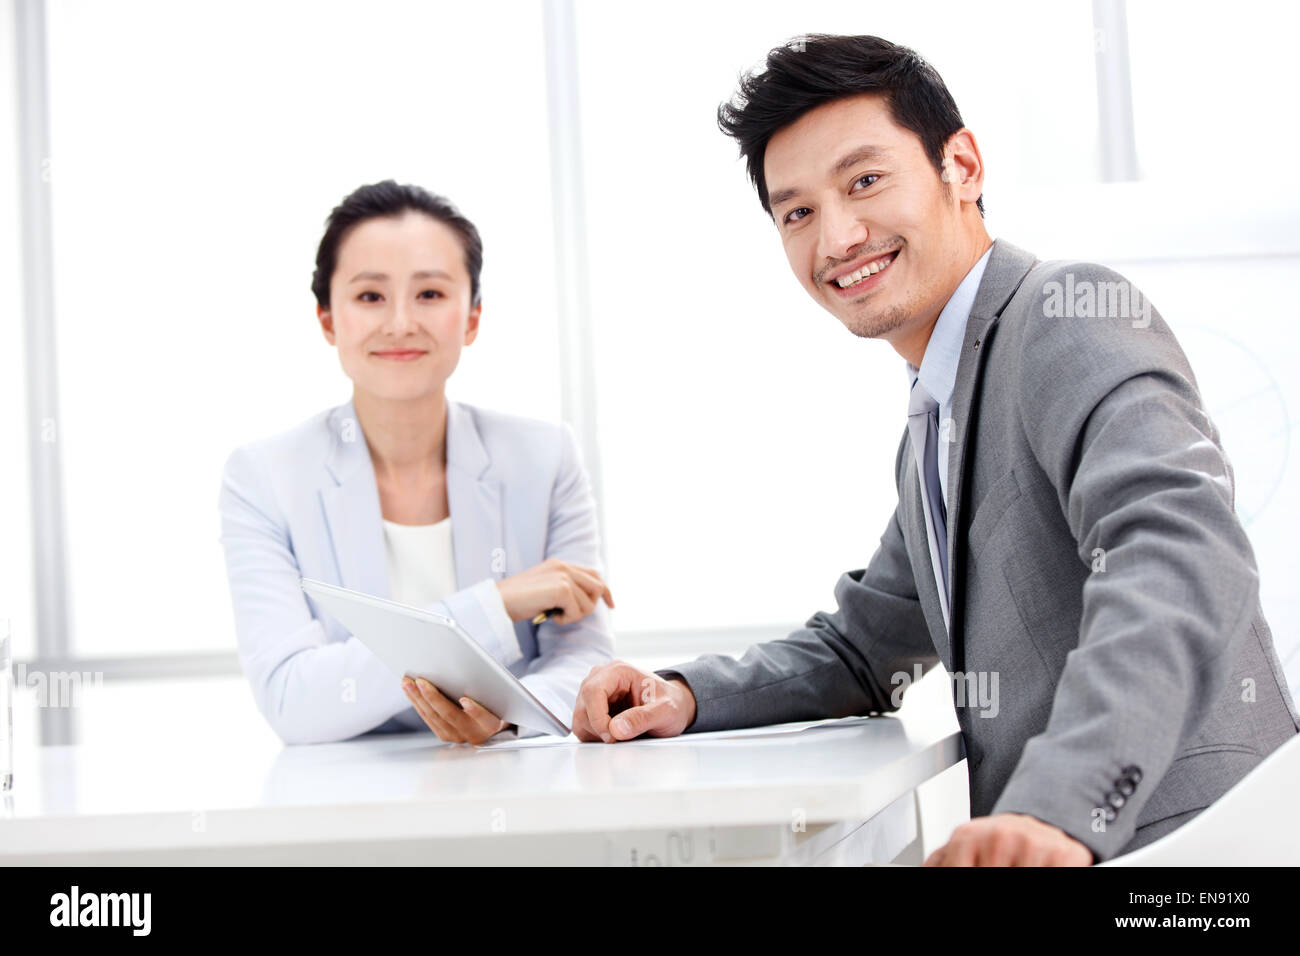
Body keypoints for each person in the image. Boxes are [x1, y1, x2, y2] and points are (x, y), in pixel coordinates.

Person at [570, 35, 1300, 865]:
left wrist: (1059, 810)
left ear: (962, 165)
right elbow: (864, 647)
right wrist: (684, 694)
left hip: (1192, 848)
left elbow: (1182, 557)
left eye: (865, 181)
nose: (839, 236)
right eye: (798, 212)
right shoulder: (938, 407)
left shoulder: (1065, 315)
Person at [219, 180, 615, 746]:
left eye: (430, 294)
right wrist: (494, 605)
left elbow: (585, 660)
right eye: (370, 297)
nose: (401, 322)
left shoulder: (544, 457)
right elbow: (291, 699)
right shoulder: (263, 477)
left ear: (472, 316)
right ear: (328, 320)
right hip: (343, 791)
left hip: (513, 774)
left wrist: (506, 715)